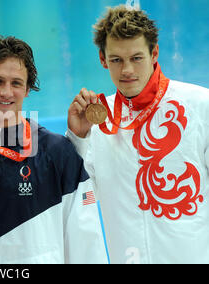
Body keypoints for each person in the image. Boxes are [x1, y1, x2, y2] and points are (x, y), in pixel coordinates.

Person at [0, 36, 108, 264]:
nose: (6, 92)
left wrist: (77, 142)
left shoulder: (55, 151)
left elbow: (86, 240)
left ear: (27, 90)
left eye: (16, 83)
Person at [67, 5, 209, 263]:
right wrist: (77, 137)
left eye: (136, 58)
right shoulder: (98, 120)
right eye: (116, 60)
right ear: (102, 59)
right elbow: (81, 195)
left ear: (154, 53)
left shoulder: (201, 105)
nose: (127, 70)